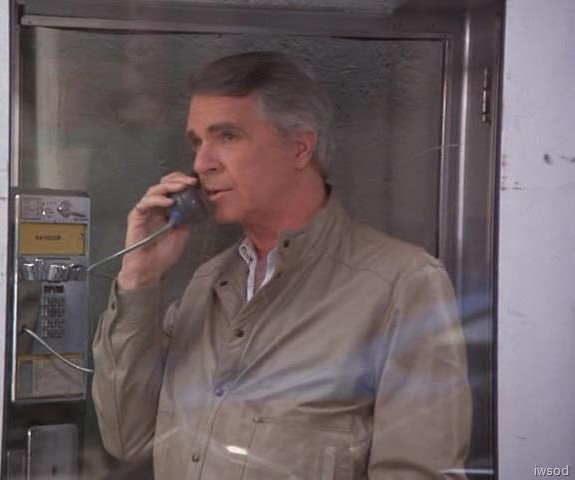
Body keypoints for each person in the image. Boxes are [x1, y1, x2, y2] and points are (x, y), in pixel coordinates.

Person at [92, 51, 471, 479]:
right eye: (197, 142)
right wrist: (139, 278)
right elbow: (126, 437)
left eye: (228, 136)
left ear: (300, 147)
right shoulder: (207, 284)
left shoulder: (401, 285)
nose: (201, 163)